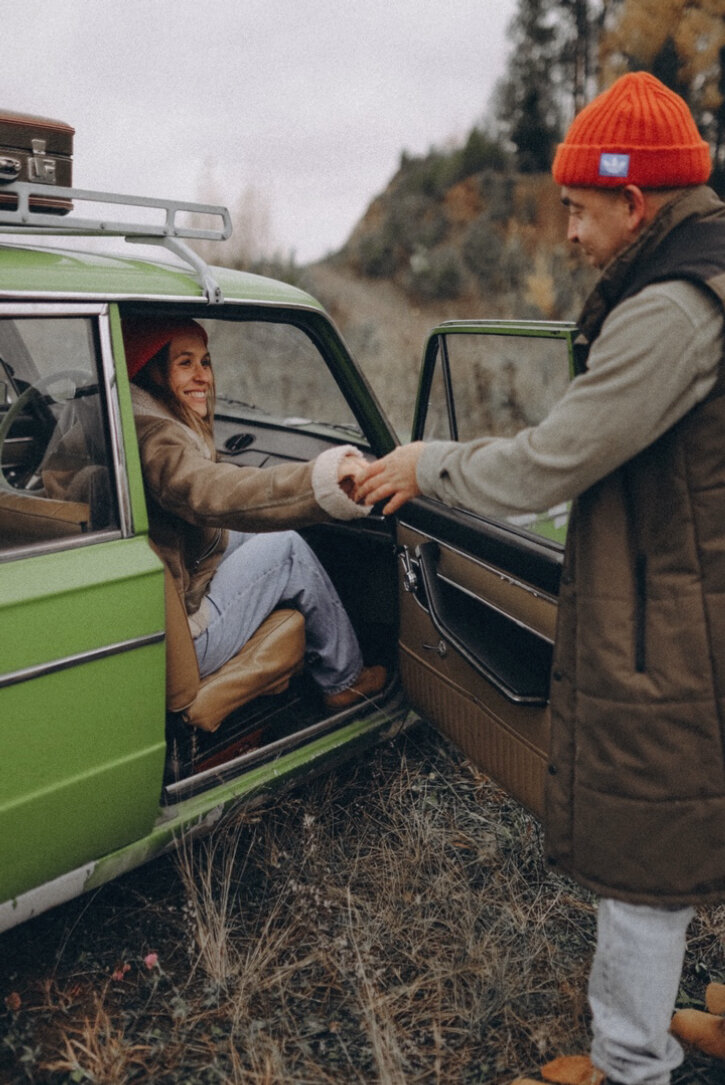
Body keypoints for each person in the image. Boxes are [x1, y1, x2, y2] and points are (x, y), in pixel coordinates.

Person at [356, 72, 725, 1085]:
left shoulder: (673, 309)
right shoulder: (705, 269)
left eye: (574, 206)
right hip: (700, 592)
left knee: (642, 848)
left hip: (676, 618)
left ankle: (625, 1064)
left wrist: (426, 462)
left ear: (630, 201)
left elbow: (546, 463)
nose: (563, 231)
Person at [121, 314, 386, 712]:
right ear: (151, 370)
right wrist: (318, 480)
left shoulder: (113, 422)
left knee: (248, 535)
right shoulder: (157, 439)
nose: (203, 378)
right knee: (288, 547)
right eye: (184, 363)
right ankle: (344, 680)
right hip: (182, 641)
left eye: (205, 362)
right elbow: (206, 491)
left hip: (145, 611)